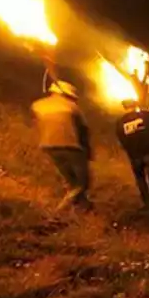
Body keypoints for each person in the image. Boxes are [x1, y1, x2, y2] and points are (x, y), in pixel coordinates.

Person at [31, 81, 92, 210]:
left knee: (70, 181)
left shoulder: (38, 105)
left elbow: (37, 125)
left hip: (49, 146)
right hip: (71, 147)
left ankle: (84, 208)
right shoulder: (72, 107)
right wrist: (87, 150)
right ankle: (60, 209)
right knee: (82, 183)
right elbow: (84, 129)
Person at [115, 99, 149, 217]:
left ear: (124, 108)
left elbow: (121, 141)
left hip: (134, 156)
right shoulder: (146, 115)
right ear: (136, 105)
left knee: (141, 180)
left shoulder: (120, 122)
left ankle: (147, 204)